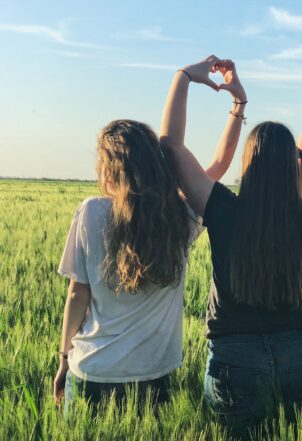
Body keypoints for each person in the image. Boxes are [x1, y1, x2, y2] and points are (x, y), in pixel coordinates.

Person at [159, 56, 302, 429]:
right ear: (287, 167)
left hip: (233, 358)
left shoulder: (223, 209)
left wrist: (182, 77)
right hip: (297, 354)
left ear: (249, 164)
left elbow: (170, 147)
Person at [52, 65, 243, 413]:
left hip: (92, 370)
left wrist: (64, 357)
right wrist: (237, 104)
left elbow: (77, 293)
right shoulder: (181, 217)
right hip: (153, 377)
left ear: (109, 168)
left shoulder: (91, 212)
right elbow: (218, 165)